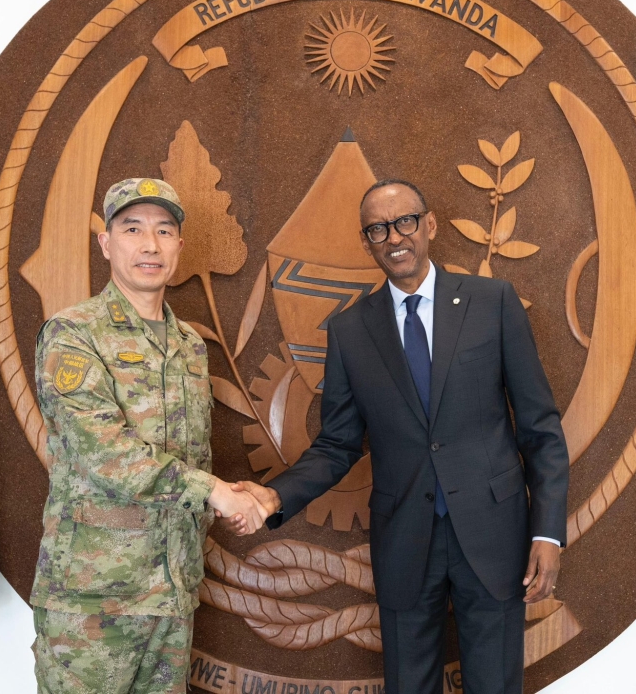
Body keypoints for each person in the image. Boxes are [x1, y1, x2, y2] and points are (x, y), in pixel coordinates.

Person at [228, 179, 569, 693]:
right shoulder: (349, 331)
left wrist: (547, 533)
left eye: (405, 221)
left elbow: (540, 429)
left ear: (428, 225)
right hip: (406, 540)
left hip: (494, 535)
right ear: (366, 241)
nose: (394, 238)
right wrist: (276, 495)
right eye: (378, 229)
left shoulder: (492, 302)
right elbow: (337, 444)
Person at [29, 177, 268, 693]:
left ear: (179, 246)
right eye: (132, 229)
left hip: (173, 590)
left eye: (164, 230)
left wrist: (242, 493)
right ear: (106, 243)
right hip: (93, 602)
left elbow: (183, 459)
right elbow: (106, 455)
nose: (149, 245)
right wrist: (215, 493)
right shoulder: (73, 334)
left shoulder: (188, 345)